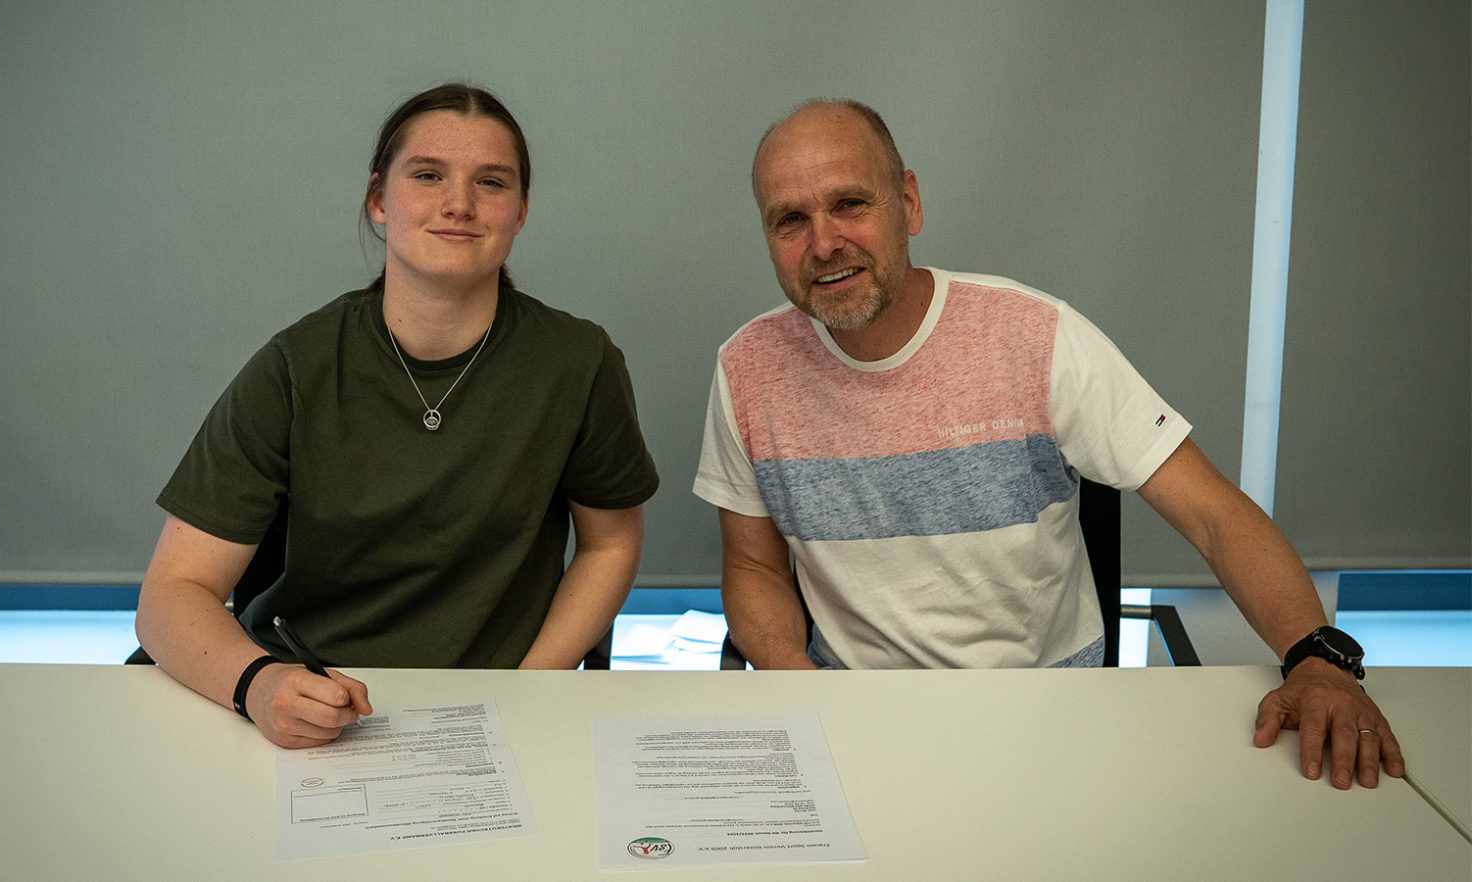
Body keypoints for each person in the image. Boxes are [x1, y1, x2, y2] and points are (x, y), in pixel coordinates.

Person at [693, 99, 1404, 790]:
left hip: (1050, 720)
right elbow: (754, 568)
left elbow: (1213, 515)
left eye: (851, 204)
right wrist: (805, 694)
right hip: (853, 722)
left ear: (907, 203)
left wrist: (1316, 656)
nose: (823, 243)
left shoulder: (1037, 337)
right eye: (791, 219)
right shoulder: (747, 369)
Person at [137, 84, 658, 749]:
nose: (460, 203)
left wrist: (532, 685)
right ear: (380, 200)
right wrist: (261, 685)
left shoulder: (578, 361)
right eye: (428, 175)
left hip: (498, 706)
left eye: (491, 182)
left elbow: (611, 543)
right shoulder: (296, 367)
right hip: (317, 698)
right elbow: (171, 595)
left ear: (521, 210)